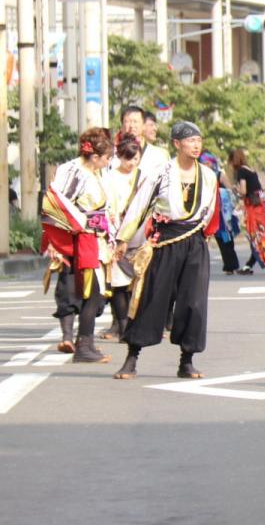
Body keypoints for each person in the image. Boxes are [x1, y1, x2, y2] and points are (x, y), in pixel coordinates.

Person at [112, 121, 220, 380]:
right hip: (166, 242)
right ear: (176, 144)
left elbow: (212, 211)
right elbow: (140, 206)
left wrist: (205, 235)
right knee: (152, 298)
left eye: (199, 141)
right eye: (191, 140)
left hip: (194, 240)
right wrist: (124, 238)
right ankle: (132, 358)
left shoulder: (208, 175)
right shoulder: (161, 173)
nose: (196, 145)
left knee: (194, 303)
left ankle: (187, 360)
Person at [41, 128, 115, 363]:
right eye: (106, 157)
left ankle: (86, 343)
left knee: (94, 293)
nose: (108, 161)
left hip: (92, 237)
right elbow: (56, 204)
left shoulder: (92, 172)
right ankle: (84, 344)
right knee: (89, 292)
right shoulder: (75, 172)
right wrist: (60, 238)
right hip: (79, 238)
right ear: (95, 157)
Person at [100, 132, 143, 342]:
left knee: (137, 282)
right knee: (118, 283)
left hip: (140, 235)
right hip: (116, 233)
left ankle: (135, 323)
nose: (132, 163)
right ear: (120, 156)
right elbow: (108, 207)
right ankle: (123, 326)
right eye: (128, 158)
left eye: (135, 158)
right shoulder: (110, 178)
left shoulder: (143, 177)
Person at [230, 149, 265, 274]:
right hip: (261, 207)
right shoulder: (251, 170)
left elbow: (244, 191)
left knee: (256, 237)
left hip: (253, 209)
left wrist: (236, 190)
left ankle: (250, 266)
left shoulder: (241, 172)